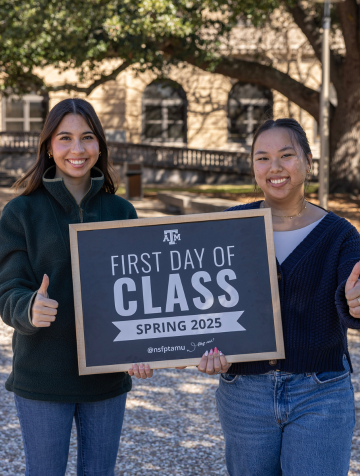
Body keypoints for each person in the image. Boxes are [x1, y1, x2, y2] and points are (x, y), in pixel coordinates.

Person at [194, 118, 360, 476]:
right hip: (244, 392)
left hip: (321, 392)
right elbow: (200, 305)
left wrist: (356, 301)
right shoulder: (226, 227)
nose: (275, 168)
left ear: (308, 161)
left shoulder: (340, 235)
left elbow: (354, 293)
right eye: (262, 158)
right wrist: (204, 347)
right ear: (253, 166)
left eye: (286, 155)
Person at [0, 98, 138, 476]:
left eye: (87, 137)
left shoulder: (122, 212)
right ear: (48, 145)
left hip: (107, 379)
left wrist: (145, 348)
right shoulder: (20, 213)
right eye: (65, 138)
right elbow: (7, 288)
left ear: (100, 145)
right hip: (43, 377)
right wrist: (28, 307)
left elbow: (140, 294)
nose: (77, 149)